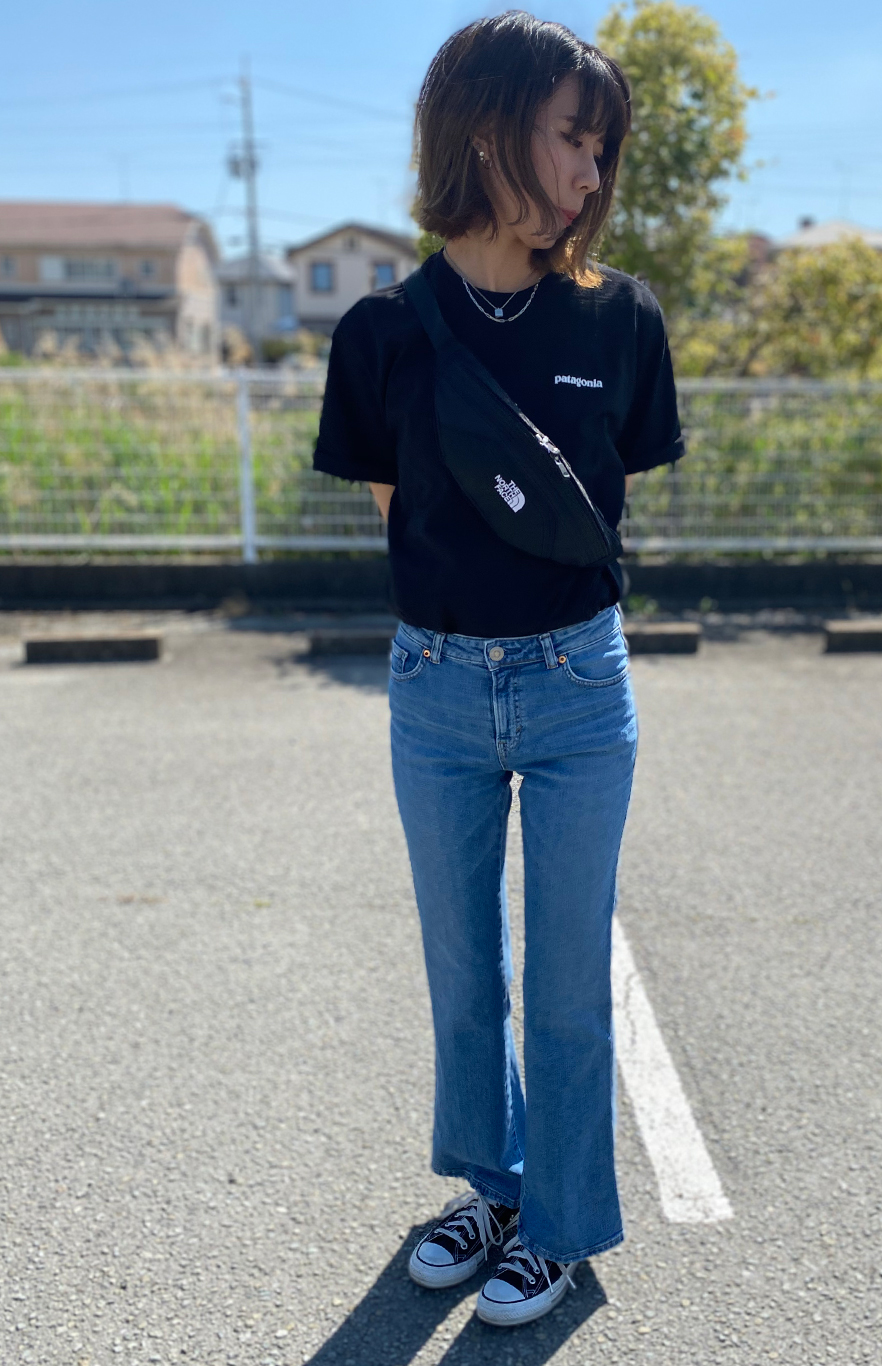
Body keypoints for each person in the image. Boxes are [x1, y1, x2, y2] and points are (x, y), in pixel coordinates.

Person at [313, 11, 683, 1328]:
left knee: (570, 982)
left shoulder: (622, 316)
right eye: (574, 138)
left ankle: (563, 1229)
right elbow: (399, 510)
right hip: (434, 687)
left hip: (580, 682)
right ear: (485, 128)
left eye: (603, 149)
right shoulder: (380, 330)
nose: (591, 173)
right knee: (465, 974)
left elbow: (600, 503)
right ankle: (495, 1188)